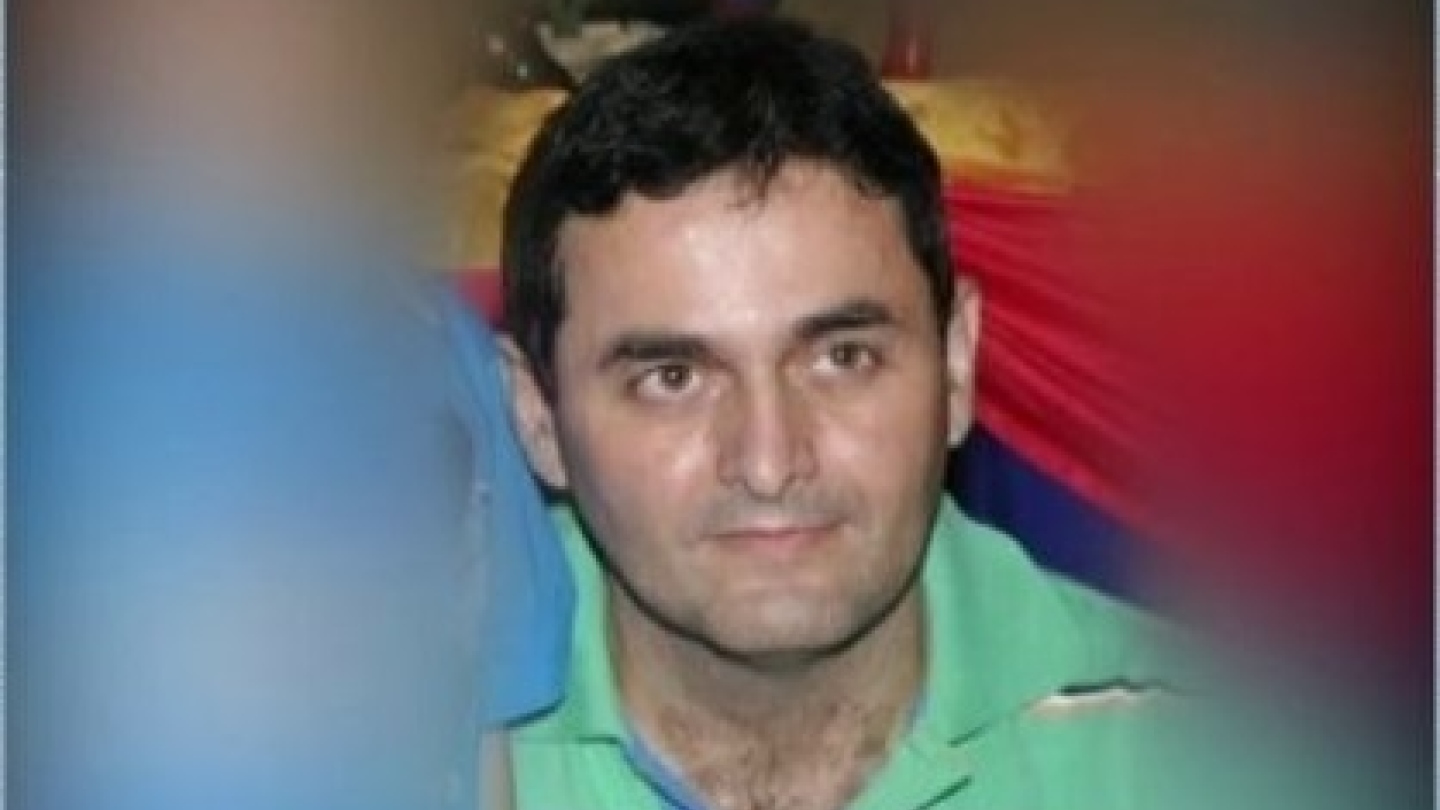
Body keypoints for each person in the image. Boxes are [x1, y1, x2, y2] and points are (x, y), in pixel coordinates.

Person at [496, 16, 1172, 810]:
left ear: (957, 364)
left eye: (843, 358)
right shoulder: (413, 741)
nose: (770, 462)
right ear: (537, 416)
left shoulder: (1206, 752)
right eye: (672, 378)